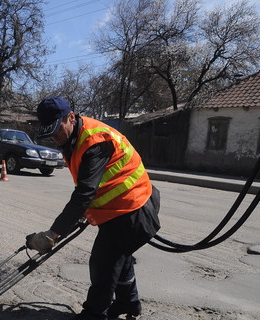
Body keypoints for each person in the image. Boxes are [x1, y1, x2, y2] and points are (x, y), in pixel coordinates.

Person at [26, 97, 161, 320]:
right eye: (49, 133)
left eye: (56, 130)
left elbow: (84, 193)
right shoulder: (72, 138)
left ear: (71, 117)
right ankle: (129, 304)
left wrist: (52, 234)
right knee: (121, 258)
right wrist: (81, 216)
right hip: (120, 208)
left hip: (133, 207)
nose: (54, 137)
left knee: (103, 263)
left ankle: (94, 314)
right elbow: (90, 188)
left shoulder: (95, 141)